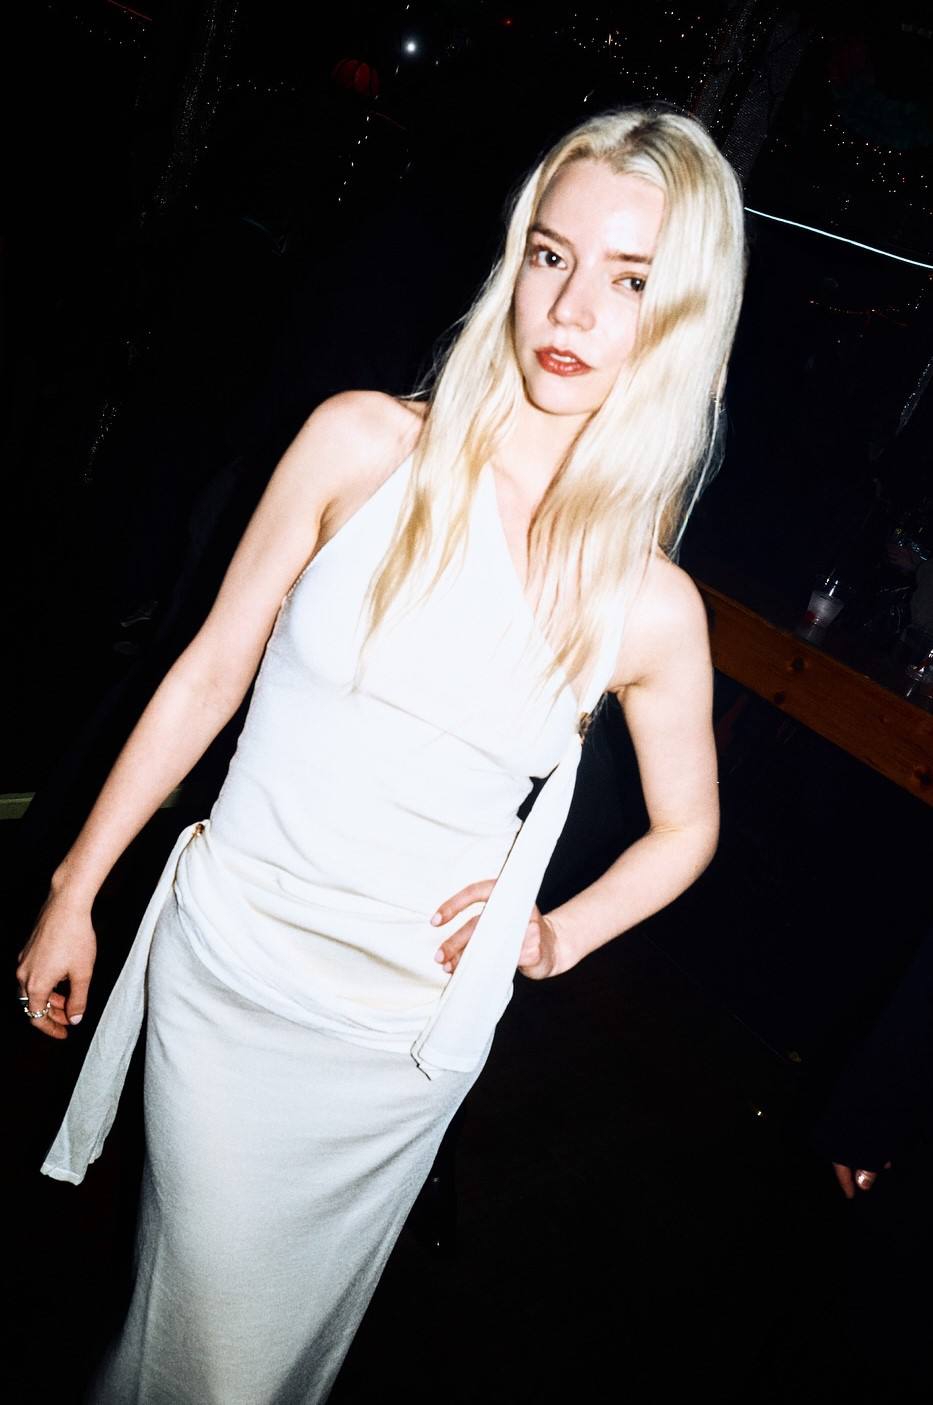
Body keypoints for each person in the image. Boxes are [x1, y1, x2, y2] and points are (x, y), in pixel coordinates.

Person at [17, 105, 747, 1403]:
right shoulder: (361, 445)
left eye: (631, 280)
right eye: (551, 255)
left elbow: (688, 826)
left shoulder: (646, 604)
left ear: (686, 318)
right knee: (209, 1343)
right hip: (229, 967)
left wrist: (553, 934)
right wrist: (77, 886)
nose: (571, 308)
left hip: (396, 1044)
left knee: (242, 1356)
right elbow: (207, 671)